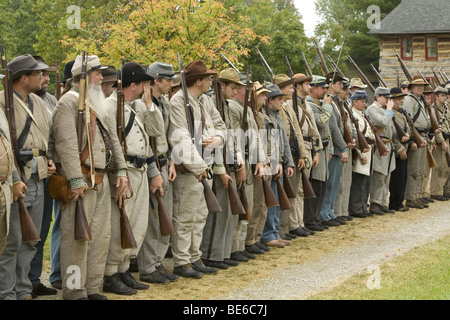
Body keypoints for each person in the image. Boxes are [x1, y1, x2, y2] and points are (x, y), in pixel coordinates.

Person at [51, 54, 129, 300]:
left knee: (100, 238)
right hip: (81, 181)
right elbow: (66, 144)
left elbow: (112, 139)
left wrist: (122, 169)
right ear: (83, 78)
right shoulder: (68, 103)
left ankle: (92, 288)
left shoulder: (97, 103)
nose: (101, 78)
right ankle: (75, 292)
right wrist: (75, 179)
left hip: (101, 180)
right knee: (77, 241)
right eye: (97, 74)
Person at [103, 61, 163, 295]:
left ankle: (125, 268)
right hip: (124, 171)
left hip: (139, 170)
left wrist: (149, 104)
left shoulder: (134, 106)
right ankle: (111, 273)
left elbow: (155, 132)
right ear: (134, 84)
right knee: (120, 224)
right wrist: (120, 173)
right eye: (145, 83)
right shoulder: (110, 106)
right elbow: (112, 143)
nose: (147, 86)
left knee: (137, 224)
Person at [0, 54, 55, 300]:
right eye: (38, 74)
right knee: (11, 241)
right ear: (23, 78)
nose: (43, 77)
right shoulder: (3, 102)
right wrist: (13, 179)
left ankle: (23, 289)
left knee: (31, 239)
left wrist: (49, 159)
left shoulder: (38, 102)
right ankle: (6, 291)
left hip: (39, 173)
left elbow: (48, 135)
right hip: (15, 177)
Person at [168, 60, 226, 279]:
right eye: (207, 78)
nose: (210, 81)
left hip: (205, 165)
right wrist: (199, 167)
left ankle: (194, 257)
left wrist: (217, 139)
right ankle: (182, 261)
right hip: (190, 168)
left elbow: (221, 126)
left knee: (200, 215)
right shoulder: (178, 102)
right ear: (198, 81)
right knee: (185, 216)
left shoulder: (205, 101)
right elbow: (180, 137)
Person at [136, 61, 180, 284]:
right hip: (151, 166)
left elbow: (169, 134)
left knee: (166, 215)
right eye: (168, 79)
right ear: (156, 80)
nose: (171, 84)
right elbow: (148, 136)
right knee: (154, 218)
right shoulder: (140, 105)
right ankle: (147, 267)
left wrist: (172, 160)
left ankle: (158, 262)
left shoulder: (165, 103)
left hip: (165, 163)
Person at [200, 67, 246, 269]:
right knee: (217, 212)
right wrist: (222, 170)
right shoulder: (211, 104)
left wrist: (238, 159)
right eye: (232, 87)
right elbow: (214, 139)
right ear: (223, 86)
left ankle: (222, 253)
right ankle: (211, 254)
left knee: (227, 212)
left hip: (228, 162)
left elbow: (231, 136)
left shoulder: (226, 106)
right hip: (219, 164)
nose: (236, 92)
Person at [28, 55, 58, 298]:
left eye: (47, 74)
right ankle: (19, 283)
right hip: (27, 173)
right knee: (22, 233)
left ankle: (34, 279)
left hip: (48, 171)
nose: (46, 78)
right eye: (41, 74)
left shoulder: (51, 101)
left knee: (40, 229)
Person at [227, 72, 266, 261]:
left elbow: (256, 137)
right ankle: (235, 247)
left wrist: (259, 159)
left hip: (251, 161)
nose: (251, 91)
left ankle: (242, 244)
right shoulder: (233, 108)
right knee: (240, 206)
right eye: (247, 88)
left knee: (248, 204)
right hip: (241, 162)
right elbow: (235, 138)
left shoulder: (247, 110)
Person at [272, 74, 307, 242]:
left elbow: (296, 132)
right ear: (281, 89)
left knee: (291, 194)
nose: (292, 90)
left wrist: (302, 154)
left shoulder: (288, 106)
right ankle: (279, 230)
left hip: (293, 154)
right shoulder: (277, 108)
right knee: (282, 194)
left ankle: (285, 229)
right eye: (289, 87)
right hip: (284, 156)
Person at [259, 83, 294, 248]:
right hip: (270, 165)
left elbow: (284, 143)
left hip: (278, 164)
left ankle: (274, 233)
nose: (282, 102)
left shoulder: (278, 117)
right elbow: (268, 144)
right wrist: (275, 163)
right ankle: (267, 235)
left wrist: (288, 162)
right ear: (269, 101)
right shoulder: (263, 118)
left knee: (277, 201)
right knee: (270, 201)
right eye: (279, 99)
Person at [288, 73, 321, 237]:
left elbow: (313, 130)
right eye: (307, 84)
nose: (310, 87)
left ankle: (299, 222)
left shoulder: (306, 105)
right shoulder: (289, 104)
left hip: (307, 148)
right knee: (296, 188)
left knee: (302, 188)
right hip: (297, 150)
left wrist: (316, 151)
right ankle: (293, 224)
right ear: (298, 86)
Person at [319, 72, 352, 226]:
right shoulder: (328, 103)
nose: (341, 86)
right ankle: (325, 213)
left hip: (337, 149)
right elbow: (333, 128)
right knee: (330, 183)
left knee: (335, 183)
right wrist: (343, 148)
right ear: (331, 85)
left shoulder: (336, 103)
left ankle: (331, 211)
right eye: (339, 83)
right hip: (333, 149)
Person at [244, 81, 273, 254]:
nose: (265, 98)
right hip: (256, 163)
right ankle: (249, 240)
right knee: (255, 204)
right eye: (261, 94)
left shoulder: (260, 114)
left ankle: (255, 237)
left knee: (262, 204)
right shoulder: (254, 115)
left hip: (265, 161)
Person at [303, 76, 333, 232]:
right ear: (313, 88)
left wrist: (332, 149)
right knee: (314, 186)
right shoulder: (310, 105)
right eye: (322, 88)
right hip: (316, 149)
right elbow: (320, 123)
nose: (326, 91)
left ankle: (316, 217)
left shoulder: (319, 105)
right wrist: (328, 108)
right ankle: (310, 219)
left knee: (321, 186)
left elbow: (328, 130)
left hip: (324, 149)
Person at [366, 87, 399, 215]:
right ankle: (375, 203)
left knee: (386, 176)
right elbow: (383, 122)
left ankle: (383, 202)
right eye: (386, 97)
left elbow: (391, 128)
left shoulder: (384, 110)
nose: (388, 100)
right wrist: (390, 109)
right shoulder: (372, 109)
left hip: (388, 146)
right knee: (379, 175)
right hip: (379, 146)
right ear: (378, 97)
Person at [402, 75, 431, 209]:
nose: (420, 88)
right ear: (412, 87)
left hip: (423, 137)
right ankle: (410, 198)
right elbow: (408, 122)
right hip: (416, 137)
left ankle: (416, 196)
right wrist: (413, 140)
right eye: (417, 86)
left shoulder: (419, 100)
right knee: (413, 171)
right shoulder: (410, 100)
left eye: (422, 86)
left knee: (419, 170)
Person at [348, 90, 375, 218]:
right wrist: (361, 155)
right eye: (362, 101)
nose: (364, 104)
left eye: (364, 101)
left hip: (367, 150)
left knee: (365, 182)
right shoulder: (354, 115)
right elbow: (356, 137)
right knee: (358, 183)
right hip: (361, 152)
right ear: (354, 101)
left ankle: (363, 206)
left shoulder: (362, 115)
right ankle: (356, 208)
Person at [388, 87, 411, 212]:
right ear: (392, 100)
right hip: (397, 150)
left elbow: (407, 128)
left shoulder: (401, 112)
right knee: (396, 178)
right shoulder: (390, 113)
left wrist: (408, 135)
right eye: (399, 99)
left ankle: (399, 201)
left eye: (402, 98)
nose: (402, 101)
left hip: (405, 147)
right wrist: (400, 148)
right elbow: (392, 133)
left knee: (402, 177)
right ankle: (395, 203)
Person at [429, 86, 449, 201]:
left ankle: (441, 190)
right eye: (442, 95)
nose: (444, 97)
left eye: (445, 95)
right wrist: (441, 141)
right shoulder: (433, 109)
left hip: (446, 138)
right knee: (439, 167)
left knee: (445, 167)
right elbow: (435, 126)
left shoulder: (445, 109)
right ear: (436, 96)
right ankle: (435, 191)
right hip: (439, 140)